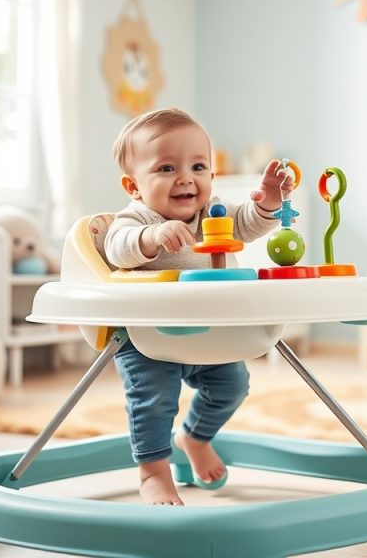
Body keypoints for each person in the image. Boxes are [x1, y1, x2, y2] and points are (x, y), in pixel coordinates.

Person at [106, 107, 292, 505]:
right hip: (149, 339)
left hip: (211, 334)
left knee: (234, 385)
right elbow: (116, 248)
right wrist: (151, 237)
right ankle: (153, 472)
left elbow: (247, 224)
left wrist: (269, 205)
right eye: (167, 168)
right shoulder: (135, 217)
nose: (186, 178)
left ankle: (195, 437)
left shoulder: (213, 212)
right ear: (133, 185)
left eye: (198, 166)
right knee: (154, 400)